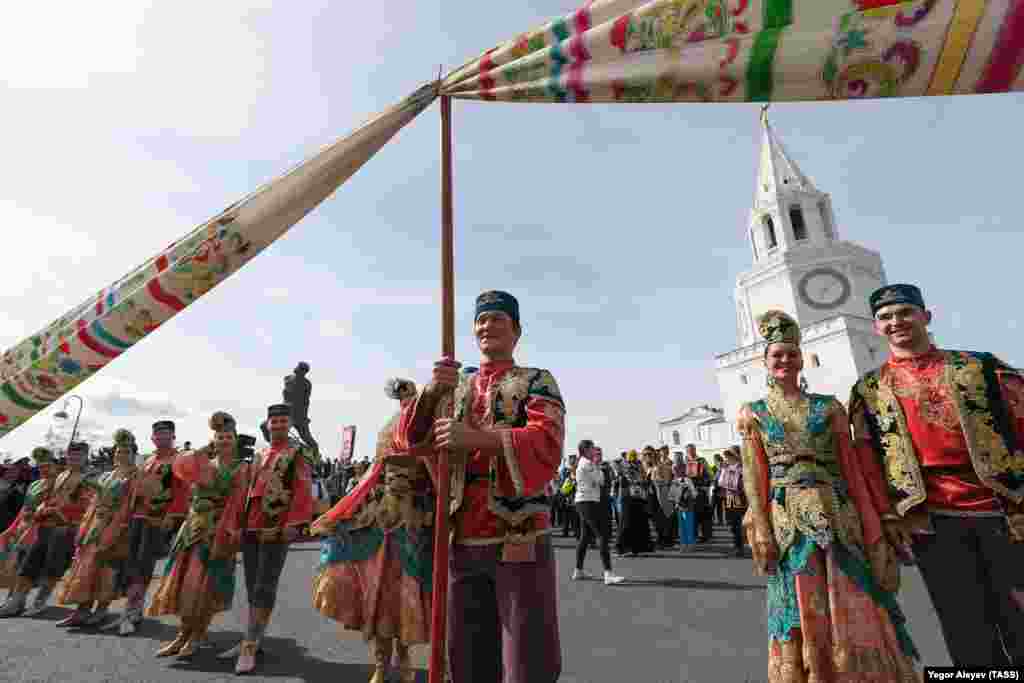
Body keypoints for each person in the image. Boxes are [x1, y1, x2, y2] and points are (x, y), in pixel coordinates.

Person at [394, 290, 564, 683]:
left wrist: (474, 438)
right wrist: (432, 391)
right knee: (467, 654)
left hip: (518, 533)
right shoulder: (455, 383)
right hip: (460, 536)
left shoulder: (537, 380)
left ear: (517, 331)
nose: (488, 327)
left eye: (498, 320)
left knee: (525, 654)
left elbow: (546, 441)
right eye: (481, 321)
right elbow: (410, 441)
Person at [849, 283, 1024, 666]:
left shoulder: (980, 366)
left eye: (905, 312)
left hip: (1003, 507)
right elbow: (867, 461)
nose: (896, 322)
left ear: (926, 316)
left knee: (1019, 613)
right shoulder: (869, 389)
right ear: (876, 328)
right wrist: (888, 515)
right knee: (964, 626)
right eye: (885, 317)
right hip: (930, 519)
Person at [739, 309, 920, 681]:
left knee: (851, 598)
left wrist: (874, 525)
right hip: (788, 522)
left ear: (802, 359)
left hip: (838, 515)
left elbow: (852, 471)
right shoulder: (752, 414)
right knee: (801, 603)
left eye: (791, 354)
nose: (785, 361)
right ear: (764, 361)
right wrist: (760, 527)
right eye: (777, 355)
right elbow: (754, 478)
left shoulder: (829, 407)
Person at [311, 378, 434, 683]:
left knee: (407, 597)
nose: (405, 400)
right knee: (378, 596)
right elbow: (372, 477)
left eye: (410, 396)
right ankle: (381, 663)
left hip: (415, 523)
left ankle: (404, 661)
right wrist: (347, 512)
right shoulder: (387, 429)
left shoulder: (431, 427)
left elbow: (439, 476)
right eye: (401, 396)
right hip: (381, 521)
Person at [148, 412, 253, 658]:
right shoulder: (203, 462)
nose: (224, 441)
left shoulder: (242, 467)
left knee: (206, 586)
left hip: (218, 530)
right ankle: (182, 634)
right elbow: (179, 467)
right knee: (184, 583)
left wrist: (225, 533)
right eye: (219, 437)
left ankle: (196, 635)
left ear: (235, 440)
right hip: (192, 529)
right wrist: (204, 449)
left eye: (229, 437)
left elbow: (237, 503)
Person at [221, 403, 315, 674]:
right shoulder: (260, 455)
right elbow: (247, 492)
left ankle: (249, 643)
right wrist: (238, 523)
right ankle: (254, 637)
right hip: (251, 526)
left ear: (290, 425)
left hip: (276, 526)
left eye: (283, 422)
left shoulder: (297, 453)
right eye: (274, 422)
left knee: (265, 584)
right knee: (252, 584)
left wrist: (294, 522)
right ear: (267, 424)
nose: (278, 426)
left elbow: (302, 488)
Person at [104, 420, 189, 635]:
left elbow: (182, 490)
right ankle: (133, 609)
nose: (161, 438)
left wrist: (172, 515)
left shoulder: (178, 459)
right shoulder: (148, 460)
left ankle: (132, 611)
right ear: (152, 438)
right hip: (137, 517)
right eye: (157, 434)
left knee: (143, 564)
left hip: (157, 519)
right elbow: (136, 489)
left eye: (165, 434)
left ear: (173, 437)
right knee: (132, 564)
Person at [56, 430, 143, 627]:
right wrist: (85, 528)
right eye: (118, 451)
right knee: (85, 567)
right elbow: (93, 504)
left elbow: (130, 506)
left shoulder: (136, 476)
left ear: (133, 455)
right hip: (96, 524)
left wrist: (115, 528)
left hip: (118, 527)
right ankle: (82, 610)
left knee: (107, 569)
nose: (121, 455)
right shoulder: (106, 475)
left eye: (126, 452)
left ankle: (102, 610)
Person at [0, 447, 69, 616]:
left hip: (46, 531)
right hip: (25, 531)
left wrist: (44, 511)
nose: (44, 469)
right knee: (18, 567)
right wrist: (10, 530)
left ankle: (36, 601)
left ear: (55, 466)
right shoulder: (35, 484)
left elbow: (61, 509)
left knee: (38, 568)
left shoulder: (60, 485)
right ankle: (14, 601)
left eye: (47, 465)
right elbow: (24, 510)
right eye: (40, 466)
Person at [571, 441, 623, 585]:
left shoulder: (585, 462)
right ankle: (608, 574)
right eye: (592, 448)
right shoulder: (587, 463)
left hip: (584, 501)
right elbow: (601, 480)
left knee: (585, 537)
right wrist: (600, 469)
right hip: (587, 502)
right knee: (602, 535)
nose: (595, 450)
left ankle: (578, 570)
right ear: (586, 450)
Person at [615, 451, 654, 557]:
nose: (632, 462)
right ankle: (626, 548)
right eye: (631, 459)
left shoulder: (640, 467)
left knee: (638, 523)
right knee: (628, 523)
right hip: (628, 498)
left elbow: (643, 480)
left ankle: (636, 548)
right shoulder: (625, 467)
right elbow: (622, 480)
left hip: (637, 498)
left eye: (634, 459)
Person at [717, 447, 747, 557]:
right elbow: (720, 482)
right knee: (732, 523)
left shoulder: (742, 467)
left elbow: (744, 482)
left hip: (740, 497)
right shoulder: (726, 468)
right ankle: (736, 545)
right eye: (727, 456)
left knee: (739, 523)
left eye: (729, 456)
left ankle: (740, 547)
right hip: (729, 497)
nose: (727, 458)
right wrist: (724, 471)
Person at [683, 445, 713, 542]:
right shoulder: (684, 462)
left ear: (695, 450)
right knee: (692, 514)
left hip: (700, 490)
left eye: (692, 450)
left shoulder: (702, 460)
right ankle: (694, 534)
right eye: (688, 451)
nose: (690, 452)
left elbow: (710, 474)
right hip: (689, 492)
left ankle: (706, 535)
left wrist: (706, 484)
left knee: (703, 514)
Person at [670, 469, 697, 551]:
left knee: (683, 526)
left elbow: (671, 496)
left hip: (682, 507)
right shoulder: (687, 481)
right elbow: (694, 494)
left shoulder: (676, 481)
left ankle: (685, 545)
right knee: (687, 526)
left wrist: (675, 502)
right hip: (686, 507)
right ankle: (688, 544)